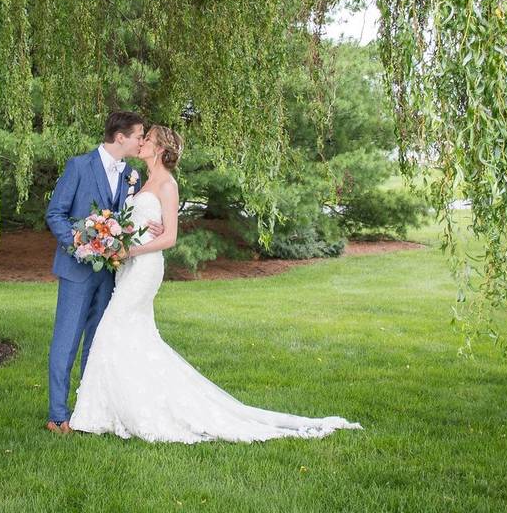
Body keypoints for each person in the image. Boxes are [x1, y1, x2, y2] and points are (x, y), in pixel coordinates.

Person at [69, 125, 362, 442]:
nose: (141, 143)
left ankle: (104, 414)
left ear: (161, 149)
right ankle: (115, 409)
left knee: (112, 328)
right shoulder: (141, 181)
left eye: (147, 140)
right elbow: (137, 224)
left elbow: (170, 237)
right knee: (131, 336)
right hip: (129, 266)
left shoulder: (167, 184)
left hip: (145, 268)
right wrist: (114, 238)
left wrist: (132, 249)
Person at [44, 111, 164, 433]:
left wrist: (157, 226)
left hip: (111, 273)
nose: (141, 141)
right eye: (139, 135)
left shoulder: (132, 174)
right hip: (76, 269)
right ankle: (57, 415)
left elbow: (134, 217)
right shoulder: (79, 166)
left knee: (97, 345)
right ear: (120, 137)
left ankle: (87, 413)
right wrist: (79, 242)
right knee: (66, 342)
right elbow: (55, 213)